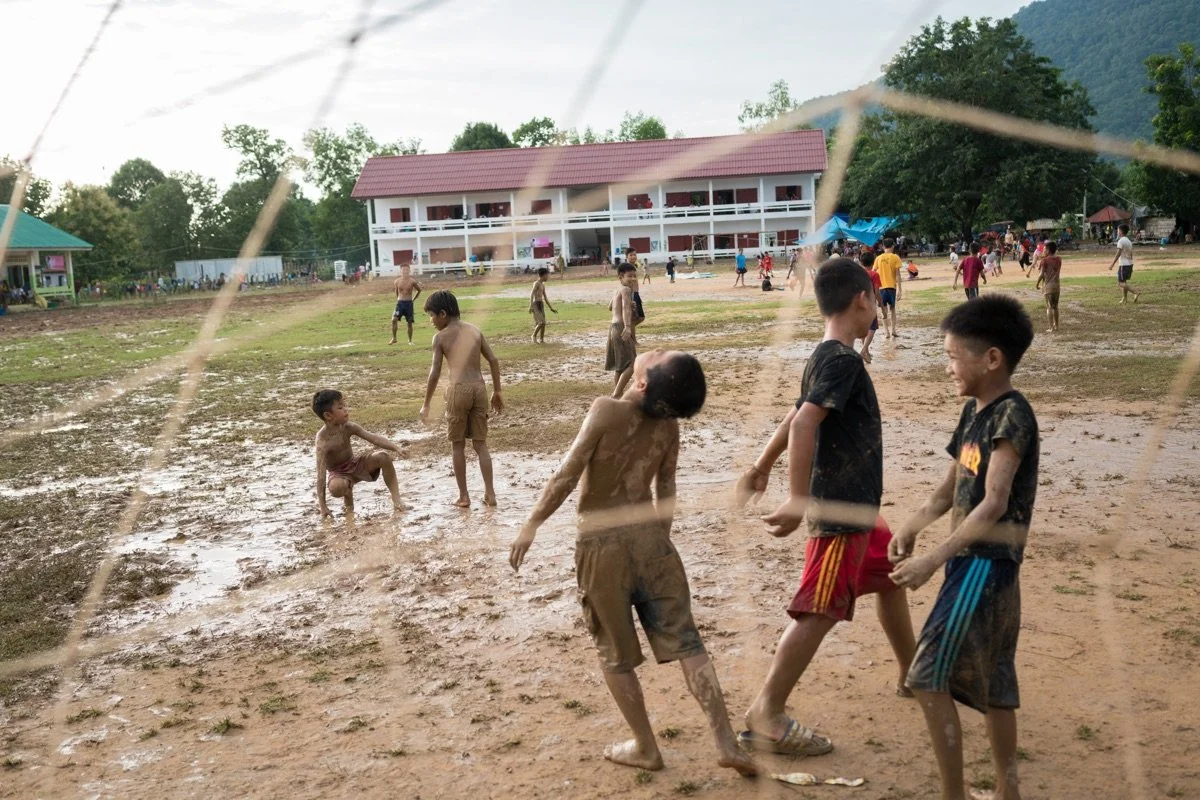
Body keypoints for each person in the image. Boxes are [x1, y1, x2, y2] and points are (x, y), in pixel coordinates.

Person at [508, 351, 758, 780]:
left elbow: (566, 474)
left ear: (641, 383)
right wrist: (660, 539)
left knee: (615, 654)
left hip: (601, 546)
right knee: (688, 642)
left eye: (658, 357)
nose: (653, 351)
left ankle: (645, 746)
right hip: (651, 543)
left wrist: (531, 524)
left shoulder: (605, 410)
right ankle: (726, 741)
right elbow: (667, 487)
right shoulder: (669, 426)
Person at [732, 259, 915, 755]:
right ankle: (765, 715)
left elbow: (795, 412)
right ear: (861, 299)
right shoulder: (843, 360)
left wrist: (761, 464)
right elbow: (804, 424)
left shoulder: (825, 355)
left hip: (861, 513)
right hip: (839, 513)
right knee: (819, 608)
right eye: (874, 298)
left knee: (890, 573)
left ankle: (911, 672)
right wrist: (796, 497)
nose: (875, 306)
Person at [888, 295, 1038, 800]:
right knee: (996, 681)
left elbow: (994, 502)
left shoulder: (1011, 416)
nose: (947, 366)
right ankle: (1007, 790)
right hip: (974, 564)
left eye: (954, 357)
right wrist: (912, 527)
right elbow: (952, 486)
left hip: (985, 565)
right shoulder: (976, 412)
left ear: (991, 359)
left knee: (927, 677)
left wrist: (933, 559)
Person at [419, 290, 504, 508]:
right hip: (479, 389)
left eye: (431, 315)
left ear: (443, 314)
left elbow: (435, 373)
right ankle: (490, 494)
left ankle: (464, 496)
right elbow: (493, 361)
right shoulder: (474, 330)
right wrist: (498, 391)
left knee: (457, 446)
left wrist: (426, 403)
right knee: (480, 444)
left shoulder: (440, 337)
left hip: (458, 390)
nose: (431, 321)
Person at [312, 389, 406, 519]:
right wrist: (323, 507)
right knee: (336, 487)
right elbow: (321, 475)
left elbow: (374, 438)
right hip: (339, 473)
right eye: (340, 407)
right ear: (328, 416)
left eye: (344, 405)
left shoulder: (348, 427)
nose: (345, 409)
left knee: (383, 457)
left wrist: (396, 448)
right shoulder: (322, 441)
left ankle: (397, 500)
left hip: (355, 464)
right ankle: (348, 502)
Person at [607, 263, 639, 399]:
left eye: (634, 276)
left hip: (613, 327)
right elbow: (625, 308)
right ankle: (617, 394)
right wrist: (627, 326)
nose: (632, 279)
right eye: (629, 276)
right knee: (633, 363)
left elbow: (610, 307)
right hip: (621, 327)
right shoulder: (626, 290)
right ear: (621, 276)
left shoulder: (617, 290)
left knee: (620, 366)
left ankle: (617, 394)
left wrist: (628, 304)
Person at [875, 238, 903, 338]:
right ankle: (894, 330)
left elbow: (874, 271)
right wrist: (900, 289)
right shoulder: (895, 257)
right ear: (893, 246)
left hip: (881, 288)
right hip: (892, 287)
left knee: (884, 310)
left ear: (883, 247)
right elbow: (898, 275)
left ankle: (886, 332)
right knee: (892, 309)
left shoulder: (878, 258)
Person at [389, 265, 423, 345]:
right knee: (394, 319)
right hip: (400, 304)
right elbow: (396, 291)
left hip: (409, 304)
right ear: (401, 271)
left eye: (407, 270)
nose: (405, 271)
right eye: (403, 270)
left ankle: (410, 341)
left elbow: (419, 290)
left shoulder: (412, 281)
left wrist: (413, 300)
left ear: (409, 271)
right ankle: (394, 338)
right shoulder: (396, 281)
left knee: (409, 322)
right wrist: (398, 299)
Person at [859, 251, 882, 364]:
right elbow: (877, 292)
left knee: (864, 328)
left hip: (858, 304)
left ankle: (866, 352)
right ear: (873, 262)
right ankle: (863, 350)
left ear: (860, 262)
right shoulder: (874, 275)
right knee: (872, 328)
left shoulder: (857, 274)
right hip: (870, 304)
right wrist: (881, 305)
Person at [1108, 223, 1141, 303]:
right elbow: (1131, 253)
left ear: (1121, 232)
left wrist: (1112, 264)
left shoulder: (1121, 241)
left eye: (1118, 230)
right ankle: (1125, 298)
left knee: (1120, 283)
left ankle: (1135, 291)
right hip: (1129, 264)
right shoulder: (1128, 241)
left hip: (1124, 265)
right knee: (1124, 281)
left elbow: (1118, 253)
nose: (1117, 232)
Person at [1035, 240, 1063, 333]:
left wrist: (1037, 284)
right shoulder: (1059, 259)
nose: (1043, 251)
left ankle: (1051, 327)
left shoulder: (1044, 261)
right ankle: (1057, 326)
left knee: (1049, 307)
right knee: (1056, 306)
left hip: (1048, 286)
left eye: (1044, 249)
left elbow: (1041, 274)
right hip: (1057, 285)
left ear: (1048, 250)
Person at [529, 267, 558, 344]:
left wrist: (551, 308)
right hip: (536, 304)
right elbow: (532, 294)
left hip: (541, 304)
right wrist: (530, 306)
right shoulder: (536, 283)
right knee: (541, 322)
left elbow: (545, 297)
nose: (548, 277)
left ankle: (541, 339)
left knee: (544, 323)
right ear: (543, 275)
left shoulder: (543, 285)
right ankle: (533, 336)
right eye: (547, 275)